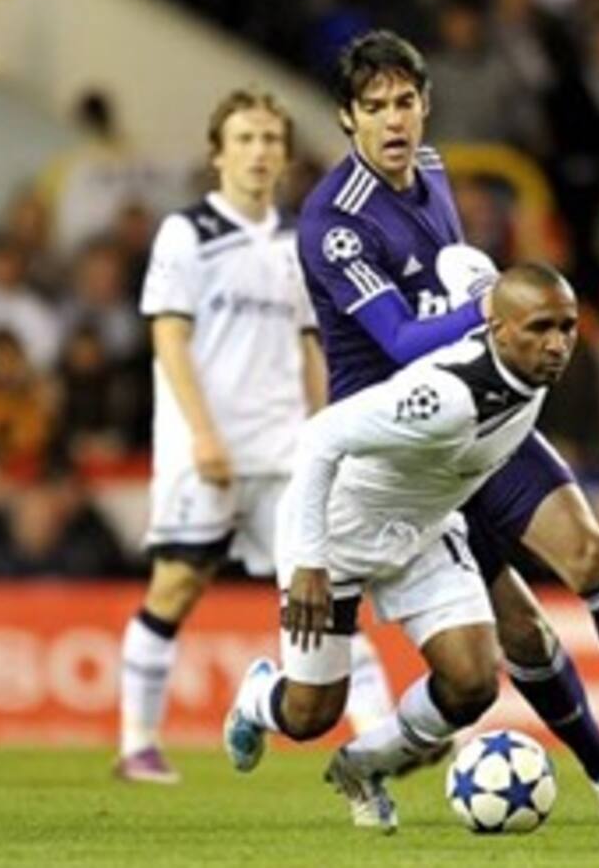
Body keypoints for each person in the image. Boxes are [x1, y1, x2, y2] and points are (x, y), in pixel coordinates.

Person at [293, 29, 599, 823]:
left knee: (594, 554)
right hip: (405, 451)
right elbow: (404, 340)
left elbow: (454, 297)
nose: (394, 122)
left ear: (426, 104)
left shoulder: (434, 175)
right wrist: (489, 305)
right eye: (374, 109)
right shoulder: (334, 223)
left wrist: (486, 312)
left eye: (405, 102)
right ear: (346, 118)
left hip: (481, 411)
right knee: (520, 637)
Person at [222, 264, 575, 833]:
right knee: (311, 714)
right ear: (501, 329)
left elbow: (466, 268)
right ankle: (261, 697)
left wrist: (463, 265)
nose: (557, 344)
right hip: (336, 532)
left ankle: (362, 768)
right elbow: (319, 438)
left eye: (567, 327)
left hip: (422, 529)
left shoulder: (523, 359)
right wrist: (309, 560)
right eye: (540, 328)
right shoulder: (444, 397)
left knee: (473, 682)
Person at [115, 89, 392, 784]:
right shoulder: (188, 234)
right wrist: (203, 437)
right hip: (205, 451)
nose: (260, 151)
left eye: (271, 139)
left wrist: (328, 433)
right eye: (245, 139)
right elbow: (169, 339)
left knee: (326, 596)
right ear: (218, 153)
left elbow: (307, 348)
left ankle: (381, 745)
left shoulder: (299, 240)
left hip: (284, 451)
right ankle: (137, 744)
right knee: (176, 587)